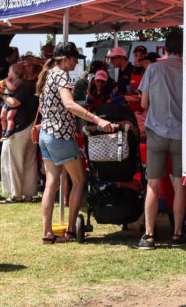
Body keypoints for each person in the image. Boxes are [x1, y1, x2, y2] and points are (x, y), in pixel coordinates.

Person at [36, 42, 112, 244]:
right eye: (75, 59)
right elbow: (69, 104)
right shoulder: (61, 75)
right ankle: (71, 230)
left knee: (51, 184)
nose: (76, 63)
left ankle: (47, 233)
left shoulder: (48, 74)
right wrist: (97, 120)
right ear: (65, 59)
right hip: (60, 135)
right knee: (78, 181)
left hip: (46, 134)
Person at [135, 31, 184, 249]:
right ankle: (177, 235)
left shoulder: (154, 69)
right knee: (180, 185)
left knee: (153, 184)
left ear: (165, 48)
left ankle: (149, 235)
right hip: (181, 133)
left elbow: (143, 104)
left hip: (156, 132)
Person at [0, 62, 38, 204]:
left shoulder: (26, 85)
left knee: (13, 160)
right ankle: (29, 193)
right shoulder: (33, 84)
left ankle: (16, 195)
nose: (24, 66)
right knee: (29, 162)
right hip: (30, 125)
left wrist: (3, 94)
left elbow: (14, 102)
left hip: (20, 128)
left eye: (27, 64)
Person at [0, 64, 24, 139]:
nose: (8, 73)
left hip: (13, 101)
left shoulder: (18, 80)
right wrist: (0, 85)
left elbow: (12, 87)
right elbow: (2, 88)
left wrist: (7, 81)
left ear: (15, 73)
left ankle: (9, 131)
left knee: (9, 117)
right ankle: (4, 130)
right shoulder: (9, 80)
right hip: (6, 101)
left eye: (9, 71)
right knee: (2, 116)